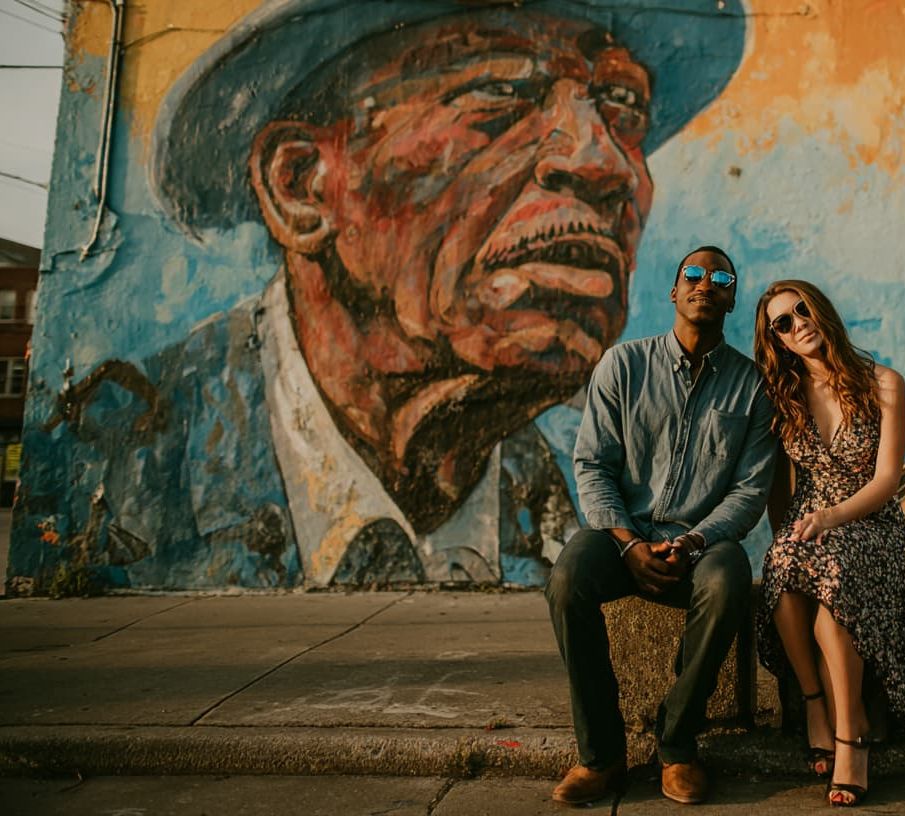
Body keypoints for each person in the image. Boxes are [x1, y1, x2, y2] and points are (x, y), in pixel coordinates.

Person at [16, 0, 746, 590]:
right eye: (498, 90)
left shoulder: (612, 459)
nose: (604, 161)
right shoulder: (113, 462)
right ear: (301, 186)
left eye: (622, 106)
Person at [546, 246, 775, 806]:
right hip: (620, 536)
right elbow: (592, 464)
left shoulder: (753, 387)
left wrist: (693, 541)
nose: (705, 283)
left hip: (701, 546)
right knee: (568, 578)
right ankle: (600, 756)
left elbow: (749, 492)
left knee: (728, 579)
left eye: (721, 278)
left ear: (731, 300)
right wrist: (628, 545)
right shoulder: (623, 366)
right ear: (674, 291)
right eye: (692, 274)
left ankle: (677, 744)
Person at [754, 279, 905, 807]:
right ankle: (815, 703)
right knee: (781, 567)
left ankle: (850, 737)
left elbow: (888, 479)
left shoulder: (884, 383)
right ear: (777, 340)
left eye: (803, 310)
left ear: (821, 310)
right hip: (811, 522)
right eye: (783, 323)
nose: (798, 324)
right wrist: (790, 535)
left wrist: (832, 517)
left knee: (836, 577)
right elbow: (778, 488)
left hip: (872, 523)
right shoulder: (783, 394)